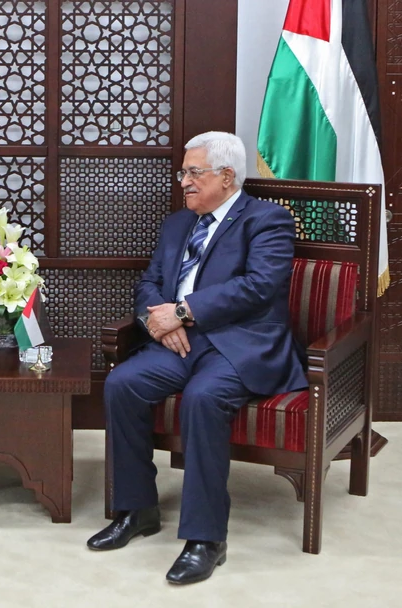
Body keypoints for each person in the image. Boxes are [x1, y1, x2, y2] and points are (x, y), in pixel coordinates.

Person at [86, 132, 307, 584]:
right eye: (183, 173)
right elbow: (149, 284)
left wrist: (183, 313)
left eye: (193, 172)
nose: (183, 181)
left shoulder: (268, 220)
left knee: (203, 399)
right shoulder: (177, 224)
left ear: (226, 176)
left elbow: (258, 286)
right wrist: (160, 323)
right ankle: (137, 510)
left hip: (238, 344)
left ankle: (206, 539)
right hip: (177, 344)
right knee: (122, 384)